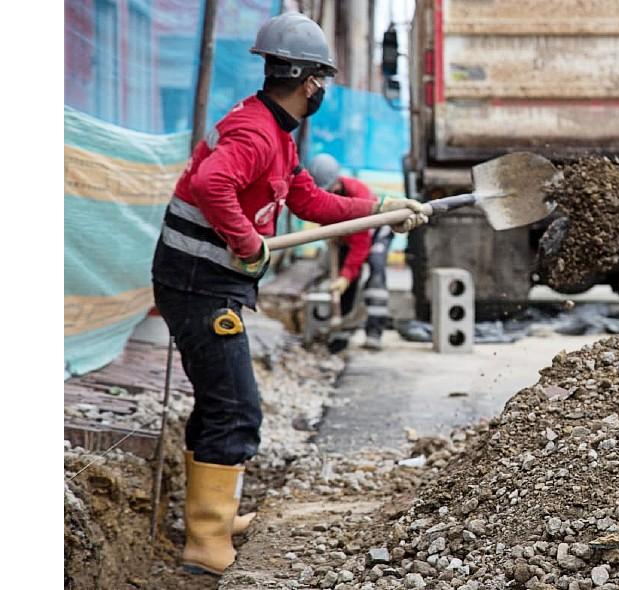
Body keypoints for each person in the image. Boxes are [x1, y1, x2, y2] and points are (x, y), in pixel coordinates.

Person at [149, 12, 428, 575]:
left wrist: (379, 209)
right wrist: (248, 240)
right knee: (237, 407)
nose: (322, 89)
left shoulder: (275, 133)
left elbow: (311, 203)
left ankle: (215, 518)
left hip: (208, 281)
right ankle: (205, 545)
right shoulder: (254, 133)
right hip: (198, 283)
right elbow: (212, 184)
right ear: (310, 82)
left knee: (218, 401)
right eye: (322, 80)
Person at [307, 154, 394, 351]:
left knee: (375, 269)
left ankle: (374, 331)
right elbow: (322, 211)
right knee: (345, 283)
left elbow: (361, 245)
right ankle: (342, 332)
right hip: (348, 235)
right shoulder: (326, 193)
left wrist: (346, 275)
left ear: (336, 184)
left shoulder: (358, 194)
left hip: (376, 230)